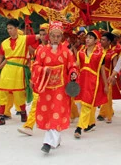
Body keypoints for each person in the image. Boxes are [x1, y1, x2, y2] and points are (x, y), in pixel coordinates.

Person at [31, 20, 78, 153]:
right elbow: (36, 66)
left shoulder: (67, 52)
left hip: (60, 89)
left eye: (58, 36)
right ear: (49, 36)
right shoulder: (42, 51)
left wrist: (73, 73)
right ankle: (55, 140)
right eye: (53, 36)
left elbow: (72, 66)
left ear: (62, 37)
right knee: (48, 114)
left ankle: (48, 142)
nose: (56, 39)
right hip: (46, 88)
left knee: (57, 113)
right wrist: (44, 70)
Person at [0, 19, 39, 126]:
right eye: (8, 28)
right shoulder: (4, 42)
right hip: (7, 70)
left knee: (19, 93)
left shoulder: (24, 39)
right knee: (2, 93)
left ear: (17, 29)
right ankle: (1, 117)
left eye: (11, 28)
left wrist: (50, 33)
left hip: (19, 70)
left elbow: (38, 36)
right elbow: (0, 56)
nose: (9, 30)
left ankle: (22, 112)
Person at [74, 30, 108, 138]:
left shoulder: (100, 54)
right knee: (86, 103)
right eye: (87, 37)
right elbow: (77, 65)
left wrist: (106, 85)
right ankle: (91, 123)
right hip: (83, 80)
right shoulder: (81, 52)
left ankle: (79, 128)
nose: (87, 39)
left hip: (93, 81)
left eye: (90, 38)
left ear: (95, 41)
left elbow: (102, 70)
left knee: (87, 104)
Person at [18, 23, 49, 136]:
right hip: (40, 81)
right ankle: (29, 125)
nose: (42, 37)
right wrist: (33, 80)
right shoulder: (39, 48)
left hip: (52, 81)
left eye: (44, 34)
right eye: (40, 35)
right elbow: (35, 66)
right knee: (36, 102)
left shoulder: (54, 48)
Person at [97, 32, 119, 123]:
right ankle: (110, 111)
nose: (101, 41)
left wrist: (114, 76)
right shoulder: (98, 51)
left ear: (109, 41)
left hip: (108, 76)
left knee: (107, 95)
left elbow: (115, 66)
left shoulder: (113, 53)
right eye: (101, 39)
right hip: (98, 75)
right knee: (100, 93)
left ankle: (103, 114)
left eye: (103, 40)